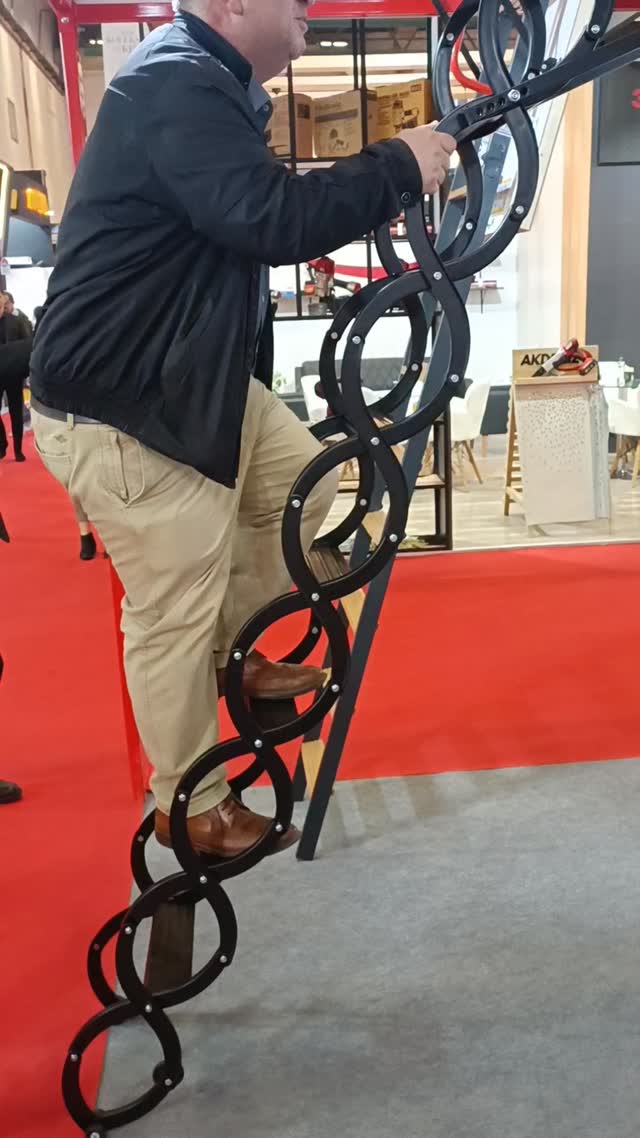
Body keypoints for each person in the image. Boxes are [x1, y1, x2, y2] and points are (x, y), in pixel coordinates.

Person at [29, 0, 455, 859]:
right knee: (170, 612)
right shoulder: (176, 84)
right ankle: (190, 803)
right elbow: (270, 219)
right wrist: (397, 166)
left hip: (184, 378)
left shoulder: (200, 81)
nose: (305, 5)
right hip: (126, 402)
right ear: (228, 5)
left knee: (300, 479)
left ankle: (240, 646)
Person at [0, 292, 31, 462]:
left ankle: (18, 449)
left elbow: (28, 342)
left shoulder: (16, 320)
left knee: (16, 412)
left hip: (14, 373)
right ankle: (2, 443)